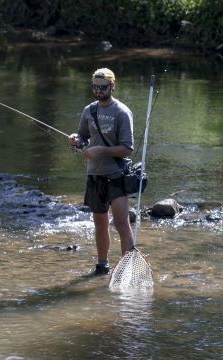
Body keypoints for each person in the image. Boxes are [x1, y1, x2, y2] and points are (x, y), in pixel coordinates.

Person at [69, 68, 135, 275]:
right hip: (94, 175)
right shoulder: (89, 110)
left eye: (102, 87)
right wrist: (76, 140)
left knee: (122, 224)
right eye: (95, 87)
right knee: (99, 224)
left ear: (112, 86)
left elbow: (127, 148)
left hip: (116, 175)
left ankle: (127, 268)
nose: (98, 91)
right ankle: (102, 265)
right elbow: (82, 136)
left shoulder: (122, 112)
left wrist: (100, 150)